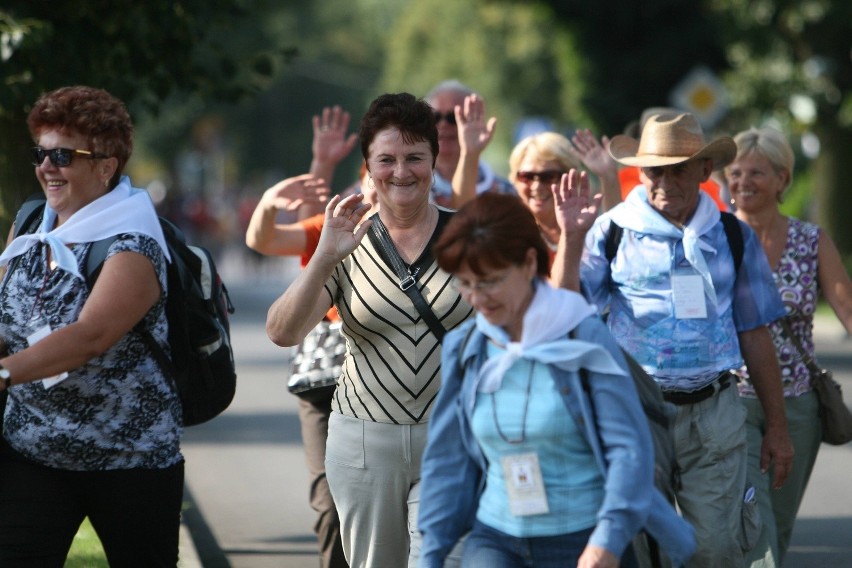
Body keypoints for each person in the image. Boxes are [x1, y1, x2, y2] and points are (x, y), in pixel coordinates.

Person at [554, 112, 795, 566]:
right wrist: (570, 238)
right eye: (654, 170)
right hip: (635, 411)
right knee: (641, 548)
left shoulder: (731, 235)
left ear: (704, 171)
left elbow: (756, 333)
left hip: (715, 412)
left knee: (716, 549)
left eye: (677, 168)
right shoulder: (613, 230)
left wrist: (777, 428)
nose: (664, 181)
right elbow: (564, 309)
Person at [418, 192, 695, 568]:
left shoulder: (583, 337)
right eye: (465, 284)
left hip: (584, 540)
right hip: (495, 538)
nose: (477, 298)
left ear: (530, 262)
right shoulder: (466, 348)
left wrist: (608, 542)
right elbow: (447, 462)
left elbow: (628, 452)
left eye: (489, 281)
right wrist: (430, 555)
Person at [265, 92, 473, 568]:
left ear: (434, 162)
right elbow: (282, 331)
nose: (401, 172)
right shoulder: (344, 239)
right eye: (387, 159)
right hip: (363, 440)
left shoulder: (469, 237)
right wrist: (324, 256)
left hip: (452, 437)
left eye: (415, 158)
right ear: (368, 165)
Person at [0, 85, 182, 565]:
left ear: (106, 166)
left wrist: (3, 373)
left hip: (129, 460)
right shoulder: (33, 220)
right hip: (33, 453)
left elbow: (90, 337)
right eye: (41, 152)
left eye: (63, 155)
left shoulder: (134, 239)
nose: (46, 167)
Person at [245, 108, 373, 568]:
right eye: (376, 176)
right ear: (365, 180)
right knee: (331, 502)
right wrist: (273, 200)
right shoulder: (336, 226)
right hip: (325, 377)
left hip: (388, 382)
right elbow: (266, 239)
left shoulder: (420, 232)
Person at [725, 126, 852, 567]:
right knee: (750, 519)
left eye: (756, 172)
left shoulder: (811, 241)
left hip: (798, 405)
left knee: (778, 523)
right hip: (731, 399)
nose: (742, 182)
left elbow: (848, 310)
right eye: (735, 172)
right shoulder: (713, 238)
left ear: (782, 179)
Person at [451, 94, 621, 257]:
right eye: (527, 176)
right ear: (514, 180)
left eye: (548, 176)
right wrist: (469, 154)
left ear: (571, 178)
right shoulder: (507, 232)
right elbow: (464, 210)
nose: (537, 186)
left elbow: (616, 241)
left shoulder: (588, 228)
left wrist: (609, 177)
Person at [618, 107, 728, 211]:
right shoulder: (614, 226)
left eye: (679, 170)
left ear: (705, 171)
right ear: (640, 170)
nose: (666, 185)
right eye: (655, 170)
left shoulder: (728, 228)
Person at [425, 80, 515, 207]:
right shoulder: (413, 188)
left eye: (454, 118)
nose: (443, 124)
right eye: (436, 117)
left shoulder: (506, 194)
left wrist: (470, 153)